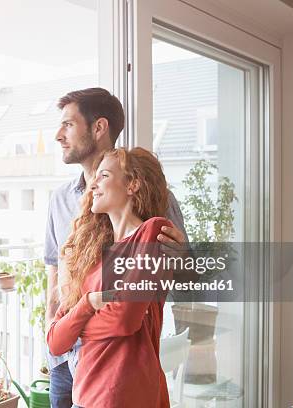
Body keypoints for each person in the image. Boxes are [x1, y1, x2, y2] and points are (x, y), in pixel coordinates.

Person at [44, 88, 187, 407]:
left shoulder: (155, 204)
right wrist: (53, 330)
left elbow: (170, 283)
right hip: (67, 366)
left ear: (99, 127)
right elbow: (55, 274)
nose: (58, 135)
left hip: (120, 369)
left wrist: (180, 261)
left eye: (68, 124)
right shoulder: (60, 199)